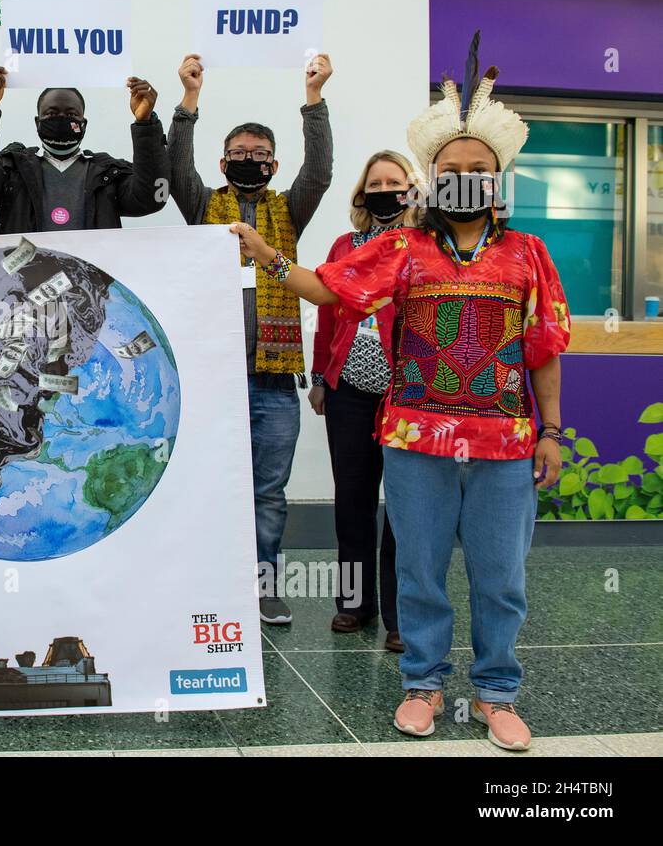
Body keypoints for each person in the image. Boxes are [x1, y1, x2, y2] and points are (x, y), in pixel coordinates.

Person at [231, 47, 569, 751]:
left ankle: (497, 693)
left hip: (505, 445)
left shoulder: (529, 253)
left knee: (499, 577)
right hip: (415, 440)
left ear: (498, 178)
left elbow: (544, 346)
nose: (467, 180)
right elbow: (329, 288)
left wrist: (552, 432)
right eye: (454, 171)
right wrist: (267, 255)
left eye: (480, 171)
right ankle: (422, 683)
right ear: (433, 180)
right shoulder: (403, 249)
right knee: (418, 572)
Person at [167, 51, 334, 626]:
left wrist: (313, 100)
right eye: (239, 154)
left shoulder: (290, 209)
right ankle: (211, 584)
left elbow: (320, 172)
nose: (248, 161)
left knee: (268, 494)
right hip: (213, 377)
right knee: (210, 487)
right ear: (223, 160)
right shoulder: (202, 205)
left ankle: (264, 588)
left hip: (273, 383)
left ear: (273, 164)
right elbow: (176, 166)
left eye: (260, 156)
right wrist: (189, 100)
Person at [310, 150, 417, 652]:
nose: (384, 190)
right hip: (348, 389)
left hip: (406, 395)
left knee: (402, 508)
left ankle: (399, 616)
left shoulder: (422, 247)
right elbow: (328, 316)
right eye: (375, 182)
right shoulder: (344, 245)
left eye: (394, 182)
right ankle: (355, 605)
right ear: (361, 193)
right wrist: (319, 378)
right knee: (352, 502)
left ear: (411, 190)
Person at [0, 66, 169, 232]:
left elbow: (153, 198)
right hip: (24, 288)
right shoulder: (13, 172)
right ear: (37, 122)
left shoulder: (108, 175)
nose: (62, 119)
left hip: (91, 287)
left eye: (72, 115)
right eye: (52, 114)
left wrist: (145, 124)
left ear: (84, 123)